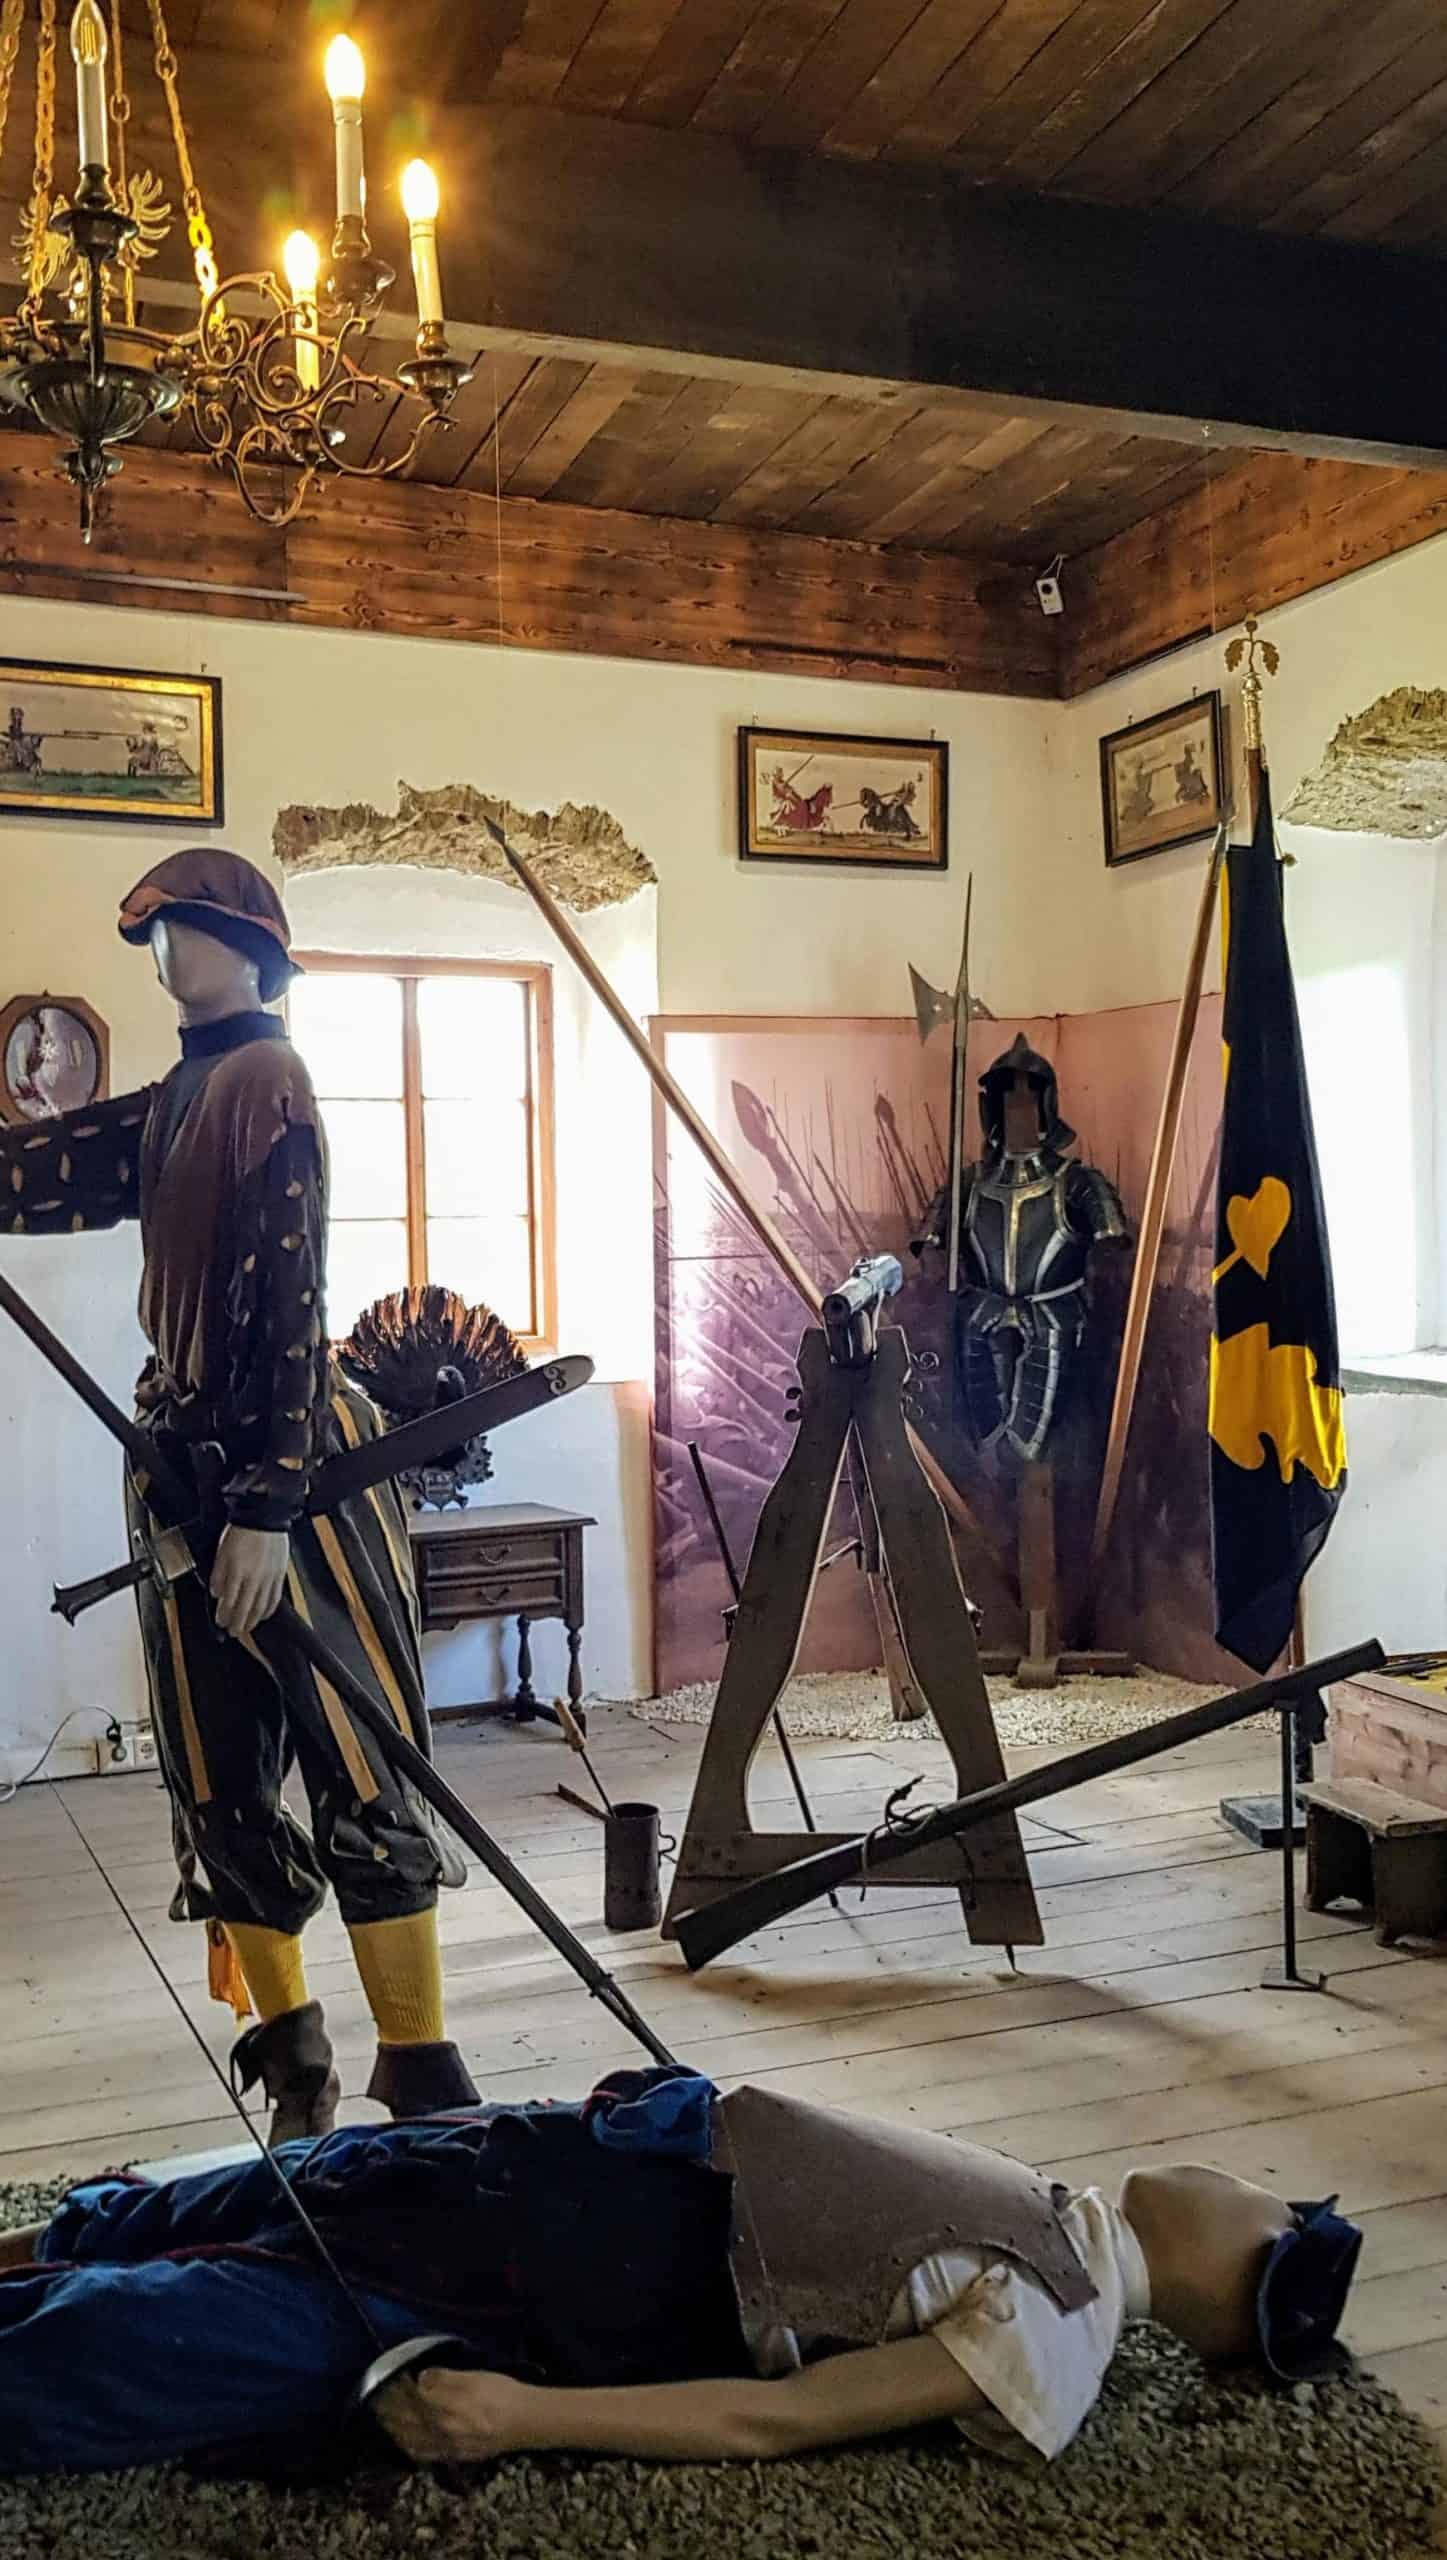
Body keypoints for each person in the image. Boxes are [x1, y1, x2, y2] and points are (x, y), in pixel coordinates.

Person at [0, 849, 476, 2140]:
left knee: (358, 1766)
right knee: (217, 1781)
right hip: (179, 1462)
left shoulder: (268, 1080)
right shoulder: (177, 1098)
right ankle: (297, 2065)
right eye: (156, 934)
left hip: (291, 1460)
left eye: (190, 929)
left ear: (253, 949)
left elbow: (289, 1300)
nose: (167, 952)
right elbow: (49, 1172)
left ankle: (422, 2076)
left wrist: (271, 1503)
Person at [0, 2071, 1361, 2477]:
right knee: (177, 2208)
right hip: (529, 2162)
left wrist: (522, 2418)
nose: (1246, 2179)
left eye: (1264, 2210)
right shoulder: (1059, 2219)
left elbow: (772, 2419)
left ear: (1237, 2288)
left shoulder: (1055, 2340)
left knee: (130, 2341)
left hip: (532, 2287)